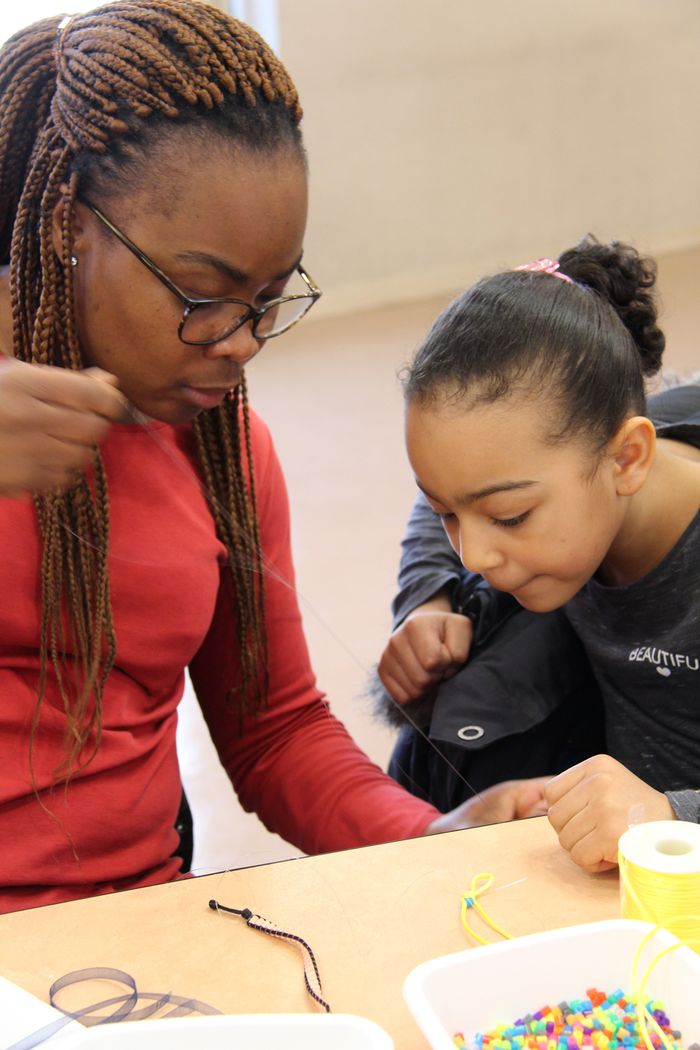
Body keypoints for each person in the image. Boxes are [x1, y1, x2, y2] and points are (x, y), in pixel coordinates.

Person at [0, 0, 524, 915]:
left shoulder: (222, 449)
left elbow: (275, 732)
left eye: (271, 298)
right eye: (202, 294)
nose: (243, 343)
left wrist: (426, 838)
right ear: (65, 223)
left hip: (137, 937)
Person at [379, 241, 700, 873]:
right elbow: (453, 489)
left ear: (628, 459)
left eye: (508, 518)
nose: (474, 556)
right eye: (452, 514)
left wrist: (672, 816)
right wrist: (427, 595)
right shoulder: (570, 467)